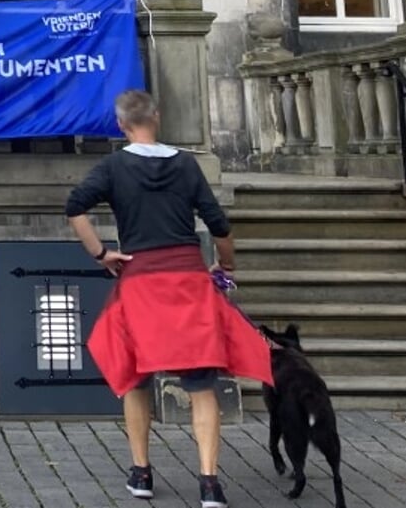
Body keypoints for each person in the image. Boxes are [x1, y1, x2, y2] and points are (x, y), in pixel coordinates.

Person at [64, 90, 271, 508]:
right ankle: (210, 484)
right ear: (156, 117)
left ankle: (141, 473)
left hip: (140, 283)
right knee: (201, 385)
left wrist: (101, 254)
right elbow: (219, 224)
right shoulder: (185, 164)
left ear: (121, 125)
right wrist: (226, 267)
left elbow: (74, 207)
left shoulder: (114, 166)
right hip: (189, 281)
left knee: (136, 379)